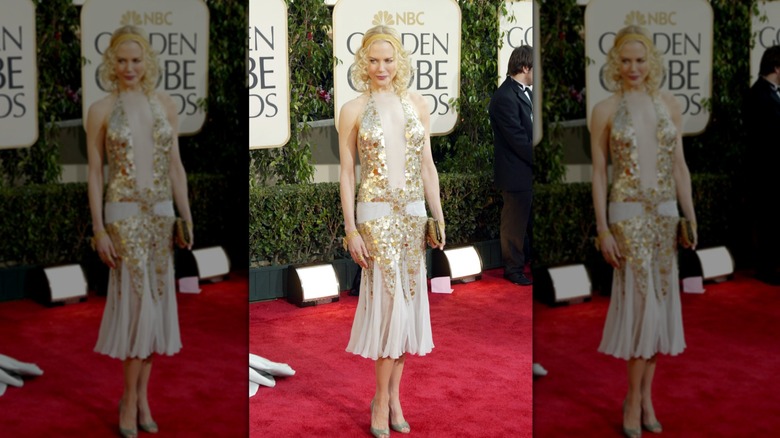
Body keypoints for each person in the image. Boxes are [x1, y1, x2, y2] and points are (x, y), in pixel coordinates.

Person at [590, 25, 697, 437]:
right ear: (615, 63)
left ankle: (645, 398)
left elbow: (679, 166)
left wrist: (689, 216)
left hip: (665, 217)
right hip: (628, 216)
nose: (633, 67)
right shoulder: (604, 109)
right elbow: (600, 174)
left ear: (650, 62)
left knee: (659, 309)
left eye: (640, 60)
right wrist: (603, 229)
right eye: (626, 60)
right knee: (641, 311)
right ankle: (633, 400)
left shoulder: (670, 104)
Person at [338, 25, 445, 438]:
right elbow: (348, 174)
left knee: (408, 308)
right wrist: (351, 229)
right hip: (376, 217)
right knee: (388, 311)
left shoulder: (418, 103)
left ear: (399, 61)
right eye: (373, 60)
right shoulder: (352, 109)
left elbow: (428, 167)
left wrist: (437, 216)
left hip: (413, 217)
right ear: (362, 62)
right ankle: (381, 401)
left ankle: (393, 398)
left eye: (387, 60)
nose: (381, 67)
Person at [87, 25, 194, 438]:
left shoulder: (165, 104)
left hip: (161, 217)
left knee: (156, 308)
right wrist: (99, 229)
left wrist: (185, 216)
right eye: (121, 60)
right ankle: (129, 401)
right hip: (124, 216)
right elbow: (95, 174)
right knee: (137, 310)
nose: (129, 67)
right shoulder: (100, 109)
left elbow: (175, 167)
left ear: (146, 62)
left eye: (135, 60)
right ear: (111, 63)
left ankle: (141, 398)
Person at [488, 45, 534, 286]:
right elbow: (518, 139)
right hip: (516, 173)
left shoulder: (526, 93)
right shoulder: (504, 97)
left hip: (528, 171)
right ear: (525, 67)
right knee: (514, 226)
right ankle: (513, 270)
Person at [745, 45, 780, 284]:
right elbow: (765, 138)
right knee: (768, 221)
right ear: (777, 67)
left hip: (773, 171)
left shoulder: (771, 93)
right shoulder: (757, 95)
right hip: (766, 173)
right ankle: (767, 269)